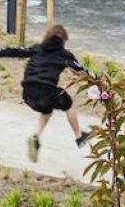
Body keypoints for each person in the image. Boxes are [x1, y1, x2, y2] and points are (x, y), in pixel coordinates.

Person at [21, 24, 89, 163]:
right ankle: (79, 136)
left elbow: (14, 51)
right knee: (68, 103)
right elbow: (81, 71)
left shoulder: (37, 49)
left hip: (27, 93)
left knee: (46, 111)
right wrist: (96, 80)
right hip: (46, 92)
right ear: (63, 41)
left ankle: (36, 138)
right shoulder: (64, 55)